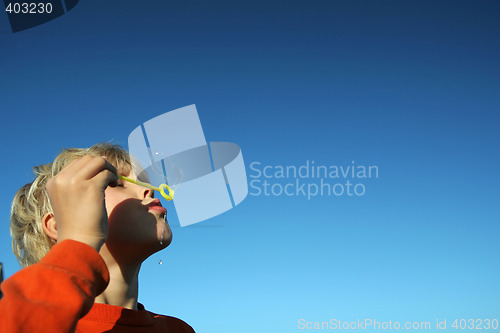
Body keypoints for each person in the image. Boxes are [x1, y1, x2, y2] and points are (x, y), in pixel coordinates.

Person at [0, 143, 196, 332]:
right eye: (116, 183)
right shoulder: (40, 320)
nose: (149, 189)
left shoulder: (179, 329)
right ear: (58, 226)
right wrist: (78, 241)